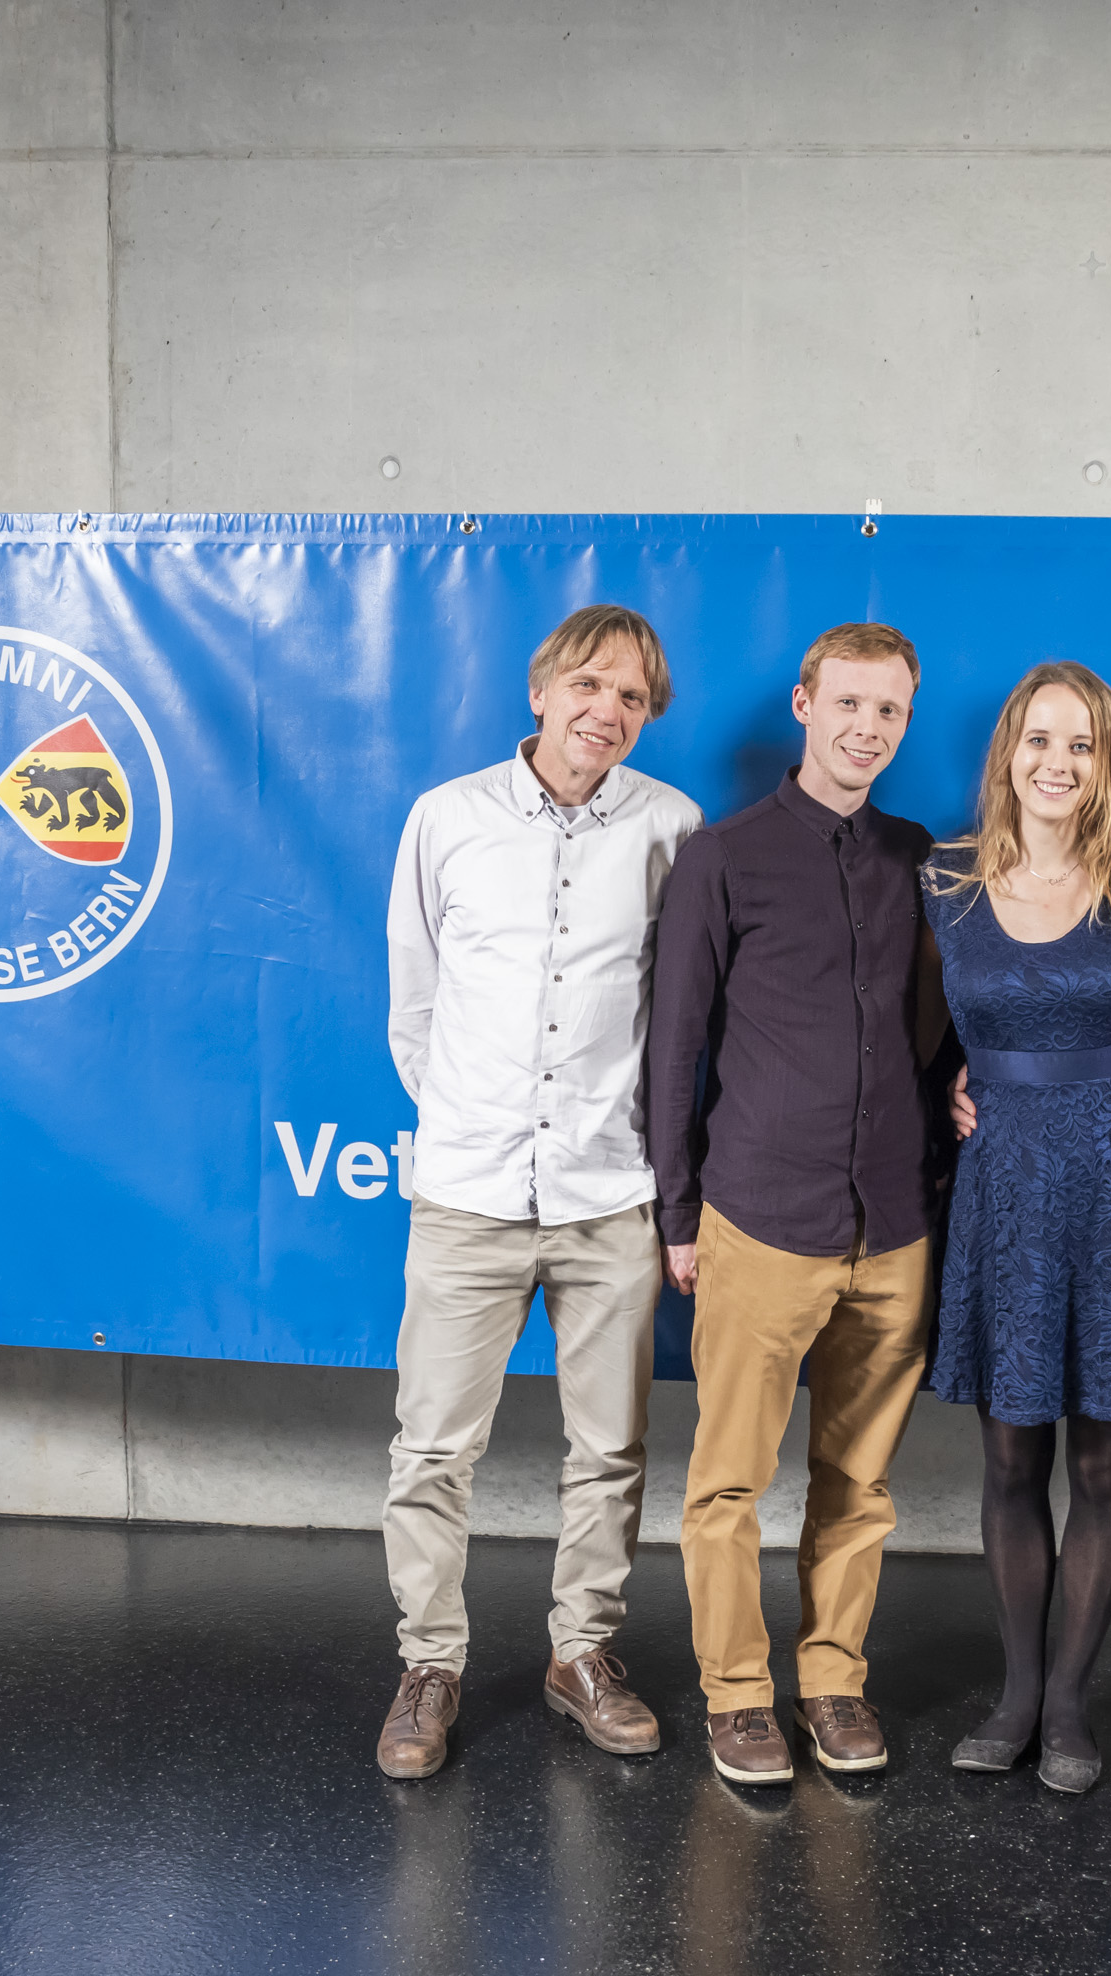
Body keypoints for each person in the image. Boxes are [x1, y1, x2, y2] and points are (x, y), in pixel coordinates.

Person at [373, 604, 704, 1782]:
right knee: (431, 1448)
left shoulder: (670, 827)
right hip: (467, 1193)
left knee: (609, 1449)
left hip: (606, 1195)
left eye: (631, 698)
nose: (605, 712)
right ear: (540, 690)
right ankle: (428, 1664)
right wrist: (470, 1122)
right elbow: (414, 1001)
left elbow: (679, 1014)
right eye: (588, 686)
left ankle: (581, 1654)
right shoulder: (446, 818)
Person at [650, 620, 940, 1786]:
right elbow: (674, 1051)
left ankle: (832, 1681)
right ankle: (734, 1695)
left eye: (889, 711)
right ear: (804, 705)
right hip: (760, 1215)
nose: (867, 729)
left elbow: (944, 1027)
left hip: (895, 1226)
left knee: (858, 1484)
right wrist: (677, 1216)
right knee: (728, 1481)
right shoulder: (722, 858)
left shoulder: (920, 860)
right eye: (849, 704)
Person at [922, 662, 1111, 1796]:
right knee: (1008, 1455)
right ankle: (1017, 1692)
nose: (1057, 762)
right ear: (1008, 753)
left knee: (1100, 1460)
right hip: (1002, 1194)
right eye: (1039, 739)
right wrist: (948, 1087)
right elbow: (912, 1033)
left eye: (1081, 744)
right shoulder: (943, 882)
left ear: (1106, 763)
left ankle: (1070, 1703)